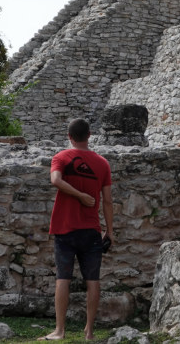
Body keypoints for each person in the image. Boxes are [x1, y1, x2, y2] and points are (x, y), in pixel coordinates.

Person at [40, 118, 114, 342]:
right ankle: (89, 332)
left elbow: (55, 180)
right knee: (93, 280)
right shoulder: (102, 163)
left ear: (70, 136)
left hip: (65, 228)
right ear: (89, 135)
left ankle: (60, 330)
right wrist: (110, 231)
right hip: (91, 229)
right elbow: (108, 201)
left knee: (63, 278)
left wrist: (78, 195)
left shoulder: (61, 157)